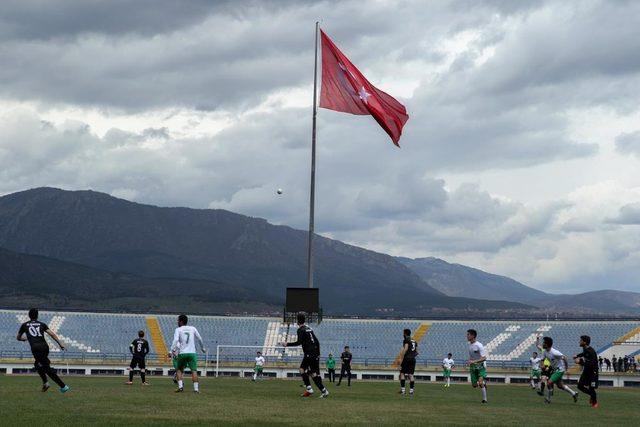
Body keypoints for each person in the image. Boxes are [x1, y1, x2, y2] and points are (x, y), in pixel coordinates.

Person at [16, 308, 70, 393]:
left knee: (46, 368)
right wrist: (60, 343)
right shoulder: (42, 324)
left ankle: (63, 386)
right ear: (37, 316)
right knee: (37, 365)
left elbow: (18, 337)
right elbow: (52, 334)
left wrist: (25, 339)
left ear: (29, 316)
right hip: (45, 347)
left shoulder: (24, 325)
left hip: (36, 348)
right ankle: (46, 383)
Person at [282, 313, 329, 398]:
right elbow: (317, 341)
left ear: (297, 321)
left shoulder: (300, 330)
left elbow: (298, 342)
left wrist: (287, 344)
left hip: (309, 354)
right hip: (314, 353)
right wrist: (318, 354)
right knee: (311, 373)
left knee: (304, 370)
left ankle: (313, 389)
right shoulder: (309, 328)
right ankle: (319, 390)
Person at [536, 336, 578, 404]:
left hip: (560, 370)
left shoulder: (555, 352)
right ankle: (574, 393)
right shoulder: (545, 351)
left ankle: (548, 399)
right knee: (560, 386)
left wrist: (567, 369)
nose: (542, 344)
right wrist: (542, 365)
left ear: (547, 344)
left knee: (549, 382)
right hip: (554, 370)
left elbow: (565, 358)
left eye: (543, 343)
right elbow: (542, 360)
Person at [171, 314, 206, 393]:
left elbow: (176, 340)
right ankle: (196, 389)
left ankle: (180, 387)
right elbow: (199, 338)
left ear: (181, 321)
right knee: (194, 371)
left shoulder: (178, 329)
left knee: (179, 370)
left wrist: (172, 350)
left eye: (178, 320)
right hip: (192, 353)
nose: (177, 322)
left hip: (183, 353)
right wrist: (202, 348)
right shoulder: (193, 328)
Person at [574, 335, 599, 408]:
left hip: (593, 372)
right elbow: (584, 354)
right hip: (586, 371)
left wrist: (580, 362)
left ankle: (595, 402)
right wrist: (577, 355)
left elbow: (591, 364)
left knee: (591, 388)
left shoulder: (591, 351)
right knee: (580, 386)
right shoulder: (585, 349)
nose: (579, 342)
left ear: (584, 342)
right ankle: (592, 395)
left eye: (581, 340)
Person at [467, 329, 488, 404]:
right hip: (473, 367)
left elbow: (484, 358)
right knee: (474, 385)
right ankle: (483, 384)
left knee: (480, 382)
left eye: (468, 334)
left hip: (480, 367)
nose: (467, 336)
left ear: (473, 336)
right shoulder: (469, 345)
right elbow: (471, 356)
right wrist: (469, 361)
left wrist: (474, 361)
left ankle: (484, 399)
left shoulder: (479, 345)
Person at [398, 328, 418, 396]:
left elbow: (405, 349)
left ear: (405, 333)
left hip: (406, 358)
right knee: (411, 375)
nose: (403, 334)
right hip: (413, 359)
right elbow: (417, 352)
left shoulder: (406, 340)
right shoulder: (414, 341)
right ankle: (411, 391)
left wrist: (401, 357)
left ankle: (403, 391)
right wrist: (412, 355)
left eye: (403, 333)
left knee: (402, 373)